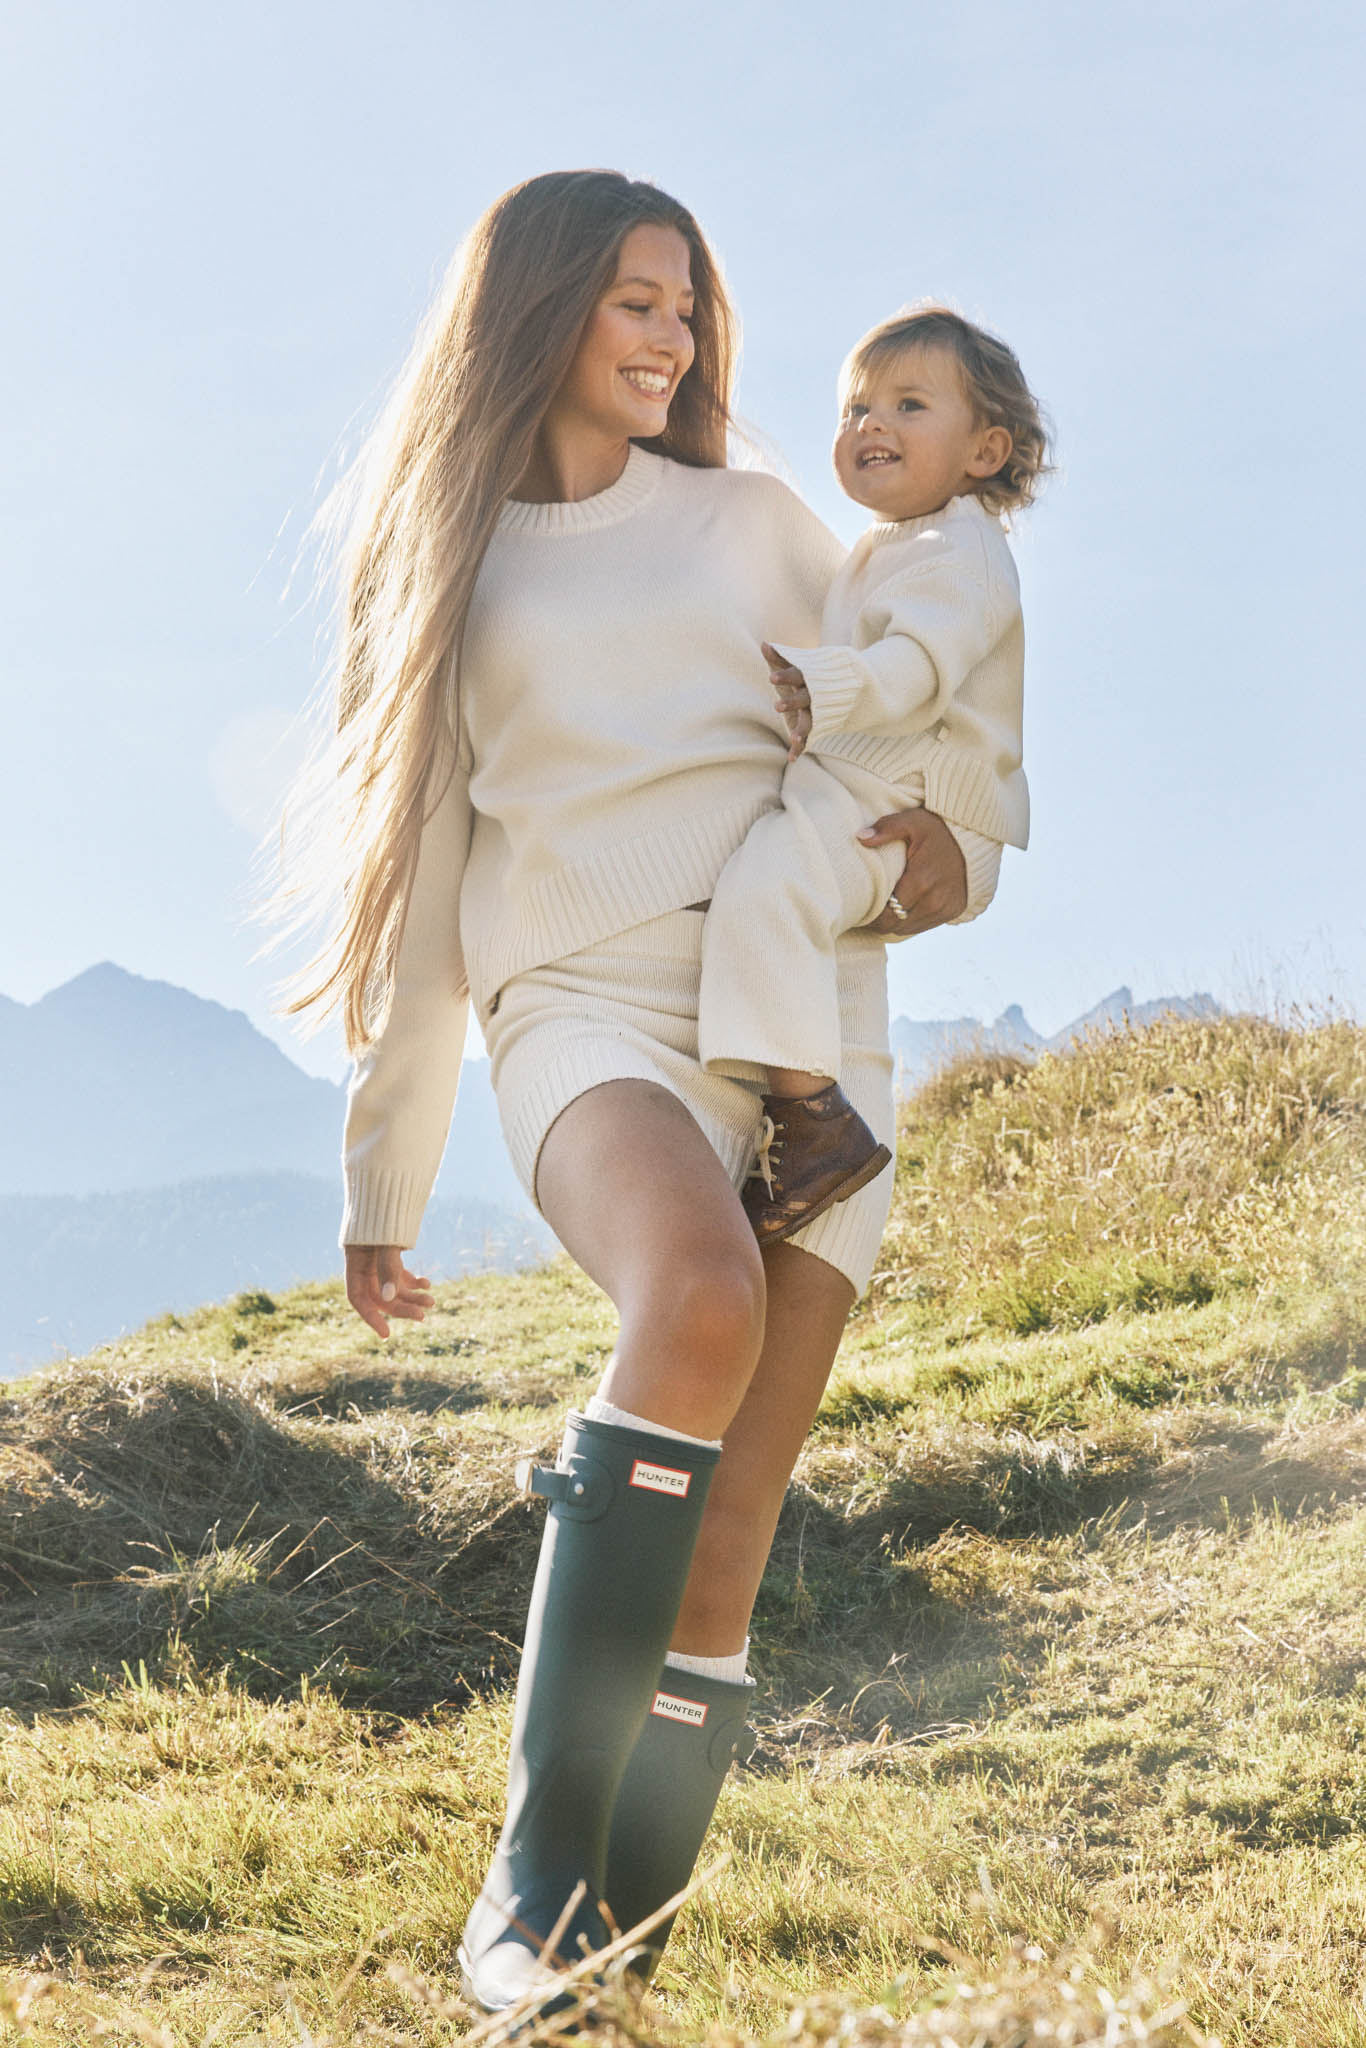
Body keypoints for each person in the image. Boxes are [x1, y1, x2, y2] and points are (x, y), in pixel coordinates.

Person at [285, 170, 1007, 2016]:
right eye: (631, 299)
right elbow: (425, 876)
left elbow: (915, 736)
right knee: (693, 1297)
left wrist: (952, 861)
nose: (672, 335)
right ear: (536, 310)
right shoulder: (452, 564)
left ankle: (607, 1953)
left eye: (686, 303)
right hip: (582, 1001)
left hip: (797, 1013)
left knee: (737, 1518)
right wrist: (387, 1169)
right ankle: (528, 1888)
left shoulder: (760, 521)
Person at [696, 306, 1047, 1245]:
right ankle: (790, 1101)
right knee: (777, 894)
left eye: (908, 404)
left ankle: (812, 1122)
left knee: (768, 893)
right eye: (855, 408)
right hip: (883, 785)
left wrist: (828, 683)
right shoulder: (893, 548)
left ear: (986, 450)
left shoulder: (958, 552)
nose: (870, 426)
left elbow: (921, 665)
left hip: (906, 795)